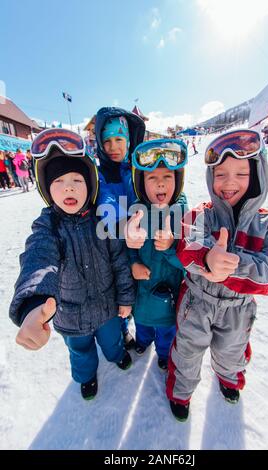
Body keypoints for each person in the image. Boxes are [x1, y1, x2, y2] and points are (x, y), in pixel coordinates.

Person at [166, 129, 268, 421]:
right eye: (221, 174)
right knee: (187, 352)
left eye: (241, 173)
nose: (229, 183)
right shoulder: (203, 214)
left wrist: (231, 267)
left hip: (238, 309)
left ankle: (229, 380)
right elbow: (185, 241)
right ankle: (180, 393)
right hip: (196, 304)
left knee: (232, 352)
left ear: (258, 175)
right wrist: (207, 257)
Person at [9, 129, 135, 400]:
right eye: (59, 180)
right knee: (81, 352)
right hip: (70, 315)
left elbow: (120, 262)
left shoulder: (103, 221)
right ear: (46, 189)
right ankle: (87, 376)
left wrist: (125, 298)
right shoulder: (48, 226)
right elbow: (38, 258)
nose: (69, 186)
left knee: (112, 341)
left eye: (77, 179)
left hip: (108, 307)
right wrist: (33, 303)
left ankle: (116, 355)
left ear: (90, 184)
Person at [124, 139, 188, 371]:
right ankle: (143, 341)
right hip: (142, 294)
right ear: (142, 183)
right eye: (152, 177)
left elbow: (187, 262)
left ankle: (163, 353)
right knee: (143, 325)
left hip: (168, 296)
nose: (160, 184)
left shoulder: (183, 216)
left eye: (167, 177)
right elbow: (129, 248)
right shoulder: (136, 212)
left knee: (166, 331)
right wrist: (133, 264)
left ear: (177, 180)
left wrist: (171, 246)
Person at [95, 107, 145, 350]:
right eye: (107, 141)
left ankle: (140, 326)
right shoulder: (100, 173)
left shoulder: (137, 168)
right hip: (113, 245)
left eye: (119, 139)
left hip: (140, 242)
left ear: (128, 140)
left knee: (138, 289)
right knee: (119, 294)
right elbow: (106, 202)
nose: (113, 147)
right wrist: (127, 221)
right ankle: (123, 330)